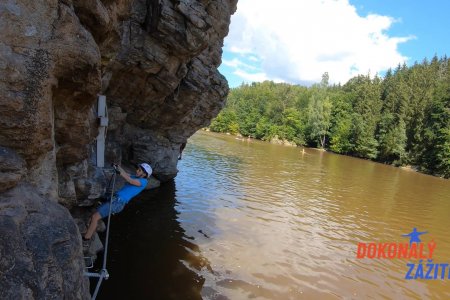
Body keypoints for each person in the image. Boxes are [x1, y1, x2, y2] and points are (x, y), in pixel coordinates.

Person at [82, 163, 152, 250]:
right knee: (96, 214)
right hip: (115, 199)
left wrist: (120, 172)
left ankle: (86, 240)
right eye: (138, 169)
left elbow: (130, 180)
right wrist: (118, 167)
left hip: (117, 202)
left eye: (140, 170)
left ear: (144, 174)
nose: (137, 170)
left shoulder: (143, 182)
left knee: (95, 217)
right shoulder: (136, 177)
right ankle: (91, 230)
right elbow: (127, 175)